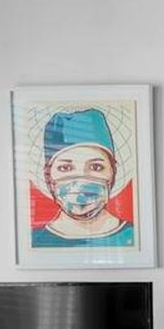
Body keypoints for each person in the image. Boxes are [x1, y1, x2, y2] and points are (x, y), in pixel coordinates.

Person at [30, 106, 134, 247]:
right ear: (48, 176)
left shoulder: (134, 236)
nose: (81, 181)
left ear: (113, 171)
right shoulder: (35, 242)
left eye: (96, 167)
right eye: (65, 168)